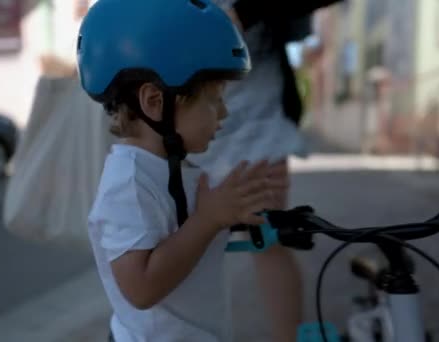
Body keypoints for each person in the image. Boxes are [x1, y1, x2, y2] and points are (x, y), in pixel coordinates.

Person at [78, 0, 286, 340]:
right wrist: (209, 220)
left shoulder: (174, 166)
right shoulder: (128, 183)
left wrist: (233, 213)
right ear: (155, 102)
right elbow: (141, 289)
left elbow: (181, 237)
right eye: (214, 98)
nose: (223, 112)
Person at [184, 2, 342, 341]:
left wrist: (246, 10)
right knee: (180, 246)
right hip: (179, 106)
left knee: (267, 236)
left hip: (253, 105)